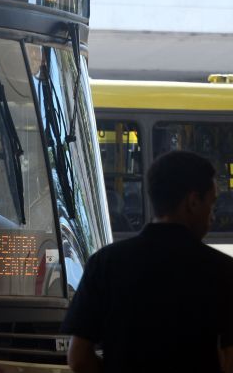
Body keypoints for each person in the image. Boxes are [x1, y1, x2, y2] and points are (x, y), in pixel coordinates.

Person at [62, 150, 233, 373]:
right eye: (211, 205)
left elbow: (78, 358)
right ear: (192, 202)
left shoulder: (105, 263)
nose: (212, 217)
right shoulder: (222, 271)